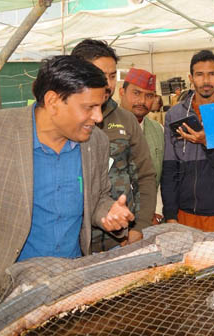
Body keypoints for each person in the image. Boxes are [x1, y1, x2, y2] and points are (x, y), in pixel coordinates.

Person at [0, 56, 134, 296]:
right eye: (89, 107)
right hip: (6, 288)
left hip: (70, 280)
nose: (99, 118)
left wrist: (109, 212)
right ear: (53, 101)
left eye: (101, 106)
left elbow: (97, 198)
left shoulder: (96, 142)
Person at [72, 39, 157, 251]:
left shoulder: (126, 120)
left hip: (119, 240)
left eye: (112, 76)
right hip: (75, 243)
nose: (108, 84)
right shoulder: (67, 120)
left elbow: (145, 176)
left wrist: (140, 226)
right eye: (101, 75)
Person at [162, 50, 214, 232]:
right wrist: (170, 214)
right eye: (200, 74)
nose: (206, 81)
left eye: (212, 74)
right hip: (185, 213)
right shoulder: (176, 114)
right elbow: (169, 168)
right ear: (191, 77)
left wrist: (207, 142)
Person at [119, 68, 165, 225]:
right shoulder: (103, 127)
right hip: (113, 221)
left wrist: (157, 211)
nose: (142, 101)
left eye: (149, 95)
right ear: (121, 92)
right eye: (136, 93)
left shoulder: (158, 129)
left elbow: (159, 178)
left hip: (150, 218)